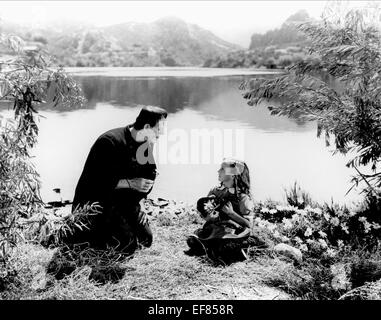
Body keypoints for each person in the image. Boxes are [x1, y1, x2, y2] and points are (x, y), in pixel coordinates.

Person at [60, 105, 167, 255]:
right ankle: (85, 231)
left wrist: (141, 203)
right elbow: (97, 183)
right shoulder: (109, 142)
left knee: (146, 240)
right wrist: (131, 183)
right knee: (126, 245)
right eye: (159, 129)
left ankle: (112, 230)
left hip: (123, 200)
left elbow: (148, 174)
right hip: (96, 202)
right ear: (147, 127)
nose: (161, 133)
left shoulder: (146, 143)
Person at [185, 158, 255, 263]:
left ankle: (222, 249)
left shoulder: (243, 197)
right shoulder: (215, 191)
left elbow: (249, 225)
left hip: (233, 232)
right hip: (216, 229)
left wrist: (231, 213)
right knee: (192, 240)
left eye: (222, 169)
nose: (218, 171)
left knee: (226, 245)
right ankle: (212, 247)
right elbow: (206, 216)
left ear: (232, 175)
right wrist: (209, 217)